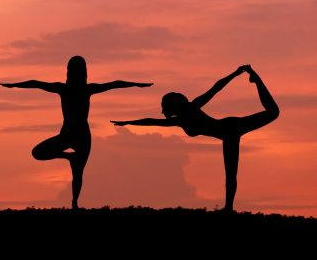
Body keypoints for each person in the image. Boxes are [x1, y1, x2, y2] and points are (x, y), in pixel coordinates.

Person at [112, 65, 278, 212]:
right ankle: (228, 207)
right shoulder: (179, 120)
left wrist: (234, 74)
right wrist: (128, 122)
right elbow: (151, 122)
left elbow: (215, 88)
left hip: (230, 129)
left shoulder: (192, 108)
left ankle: (256, 79)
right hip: (227, 130)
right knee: (231, 171)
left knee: (272, 114)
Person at [0, 56, 151, 209]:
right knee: (42, 155)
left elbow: (115, 84)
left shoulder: (79, 89)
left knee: (77, 172)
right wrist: (14, 85)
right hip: (69, 135)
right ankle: (70, 161)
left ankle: (74, 203)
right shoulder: (69, 89)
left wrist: (136, 84)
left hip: (80, 136)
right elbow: (37, 84)